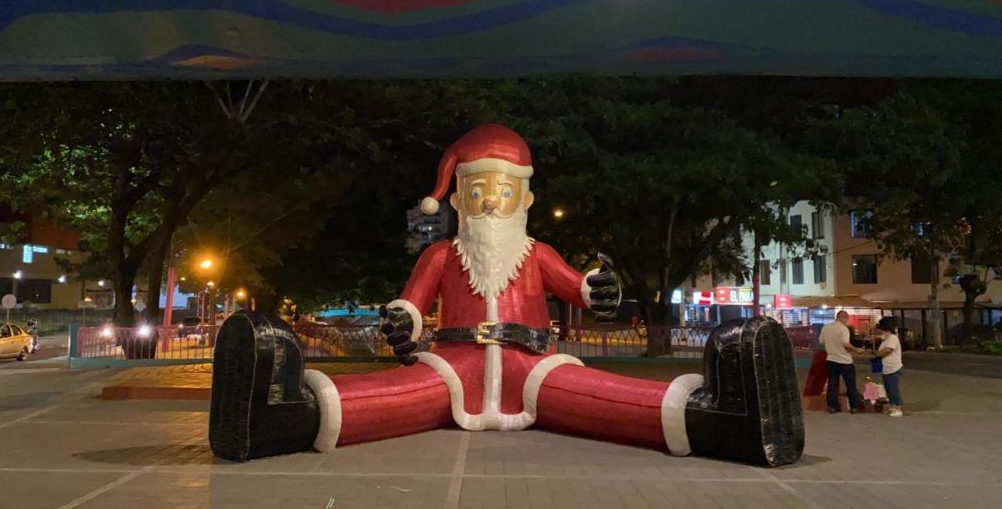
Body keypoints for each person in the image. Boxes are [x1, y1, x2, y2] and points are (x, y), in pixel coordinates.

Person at [209, 124, 805, 467]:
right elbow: (411, 305)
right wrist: (402, 321)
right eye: (476, 192)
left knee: (604, 396)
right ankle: (283, 412)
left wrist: (598, 288)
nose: (490, 201)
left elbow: (579, 287)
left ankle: (715, 416)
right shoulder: (441, 255)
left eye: (502, 190)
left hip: (536, 365)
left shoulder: (538, 252)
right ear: (458, 200)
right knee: (392, 397)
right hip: (452, 366)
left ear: (525, 200)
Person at [819, 310, 866, 413]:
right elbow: (845, 344)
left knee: (832, 384)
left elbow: (821, 341)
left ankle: (832, 406)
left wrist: (832, 345)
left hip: (831, 359)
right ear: (844, 318)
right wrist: (857, 349)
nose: (847, 321)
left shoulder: (826, 327)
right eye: (847, 319)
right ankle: (853, 407)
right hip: (845, 361)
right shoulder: (843, 329)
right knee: (850, 384)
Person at [875, 319, 904, 418]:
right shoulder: (885, 340)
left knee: (893, 389)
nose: (880, 332)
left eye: (881, 330)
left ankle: (898, 408)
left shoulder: (893, 338)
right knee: (888, 389)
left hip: (894, 368)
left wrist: (878, 354)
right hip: (886, 369)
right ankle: (893, 405)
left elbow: (887, 350)